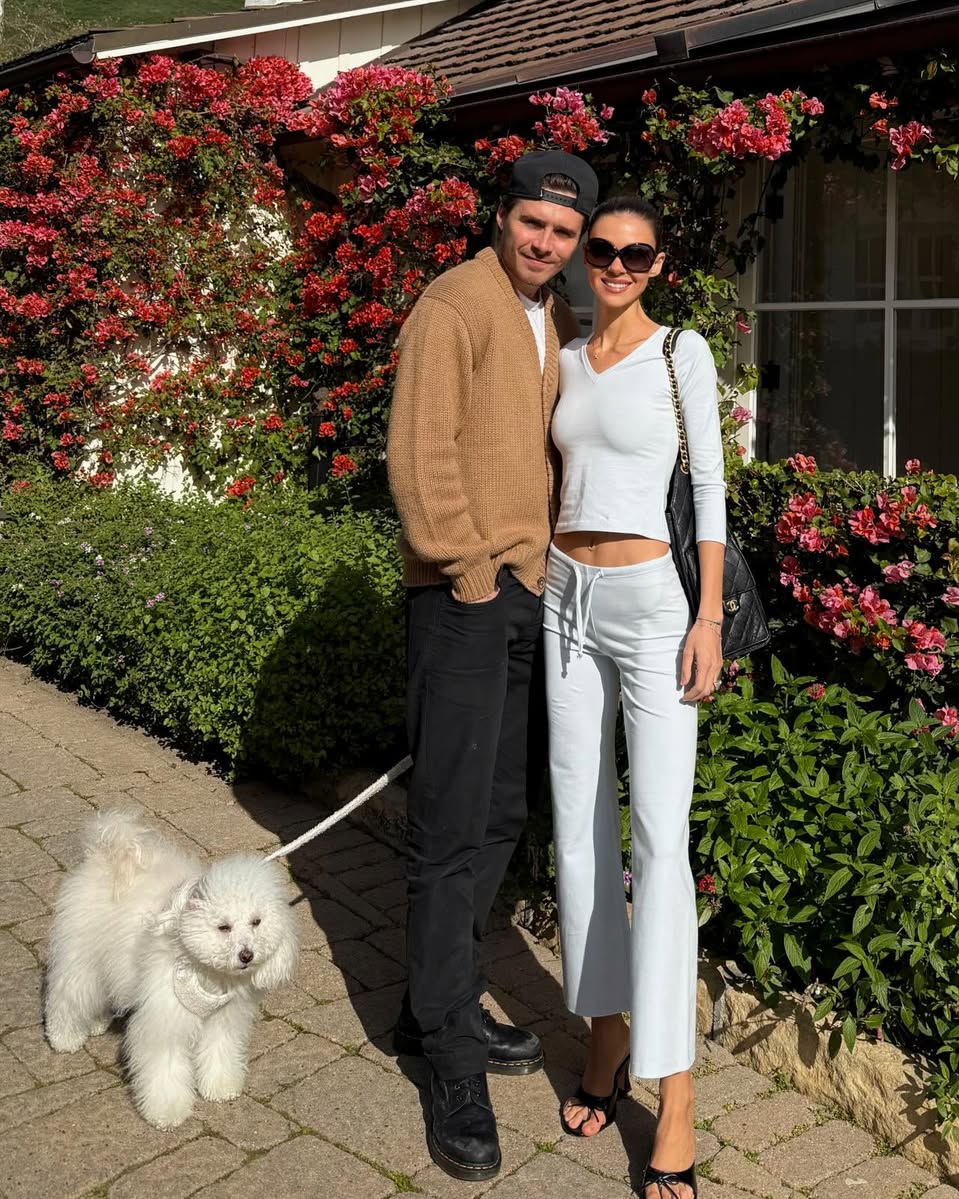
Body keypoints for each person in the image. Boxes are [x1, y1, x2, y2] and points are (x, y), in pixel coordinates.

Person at [385, 149, 598, 1183]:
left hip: (528, 594)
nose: (544, 243)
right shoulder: (455, 303)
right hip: (467, 597)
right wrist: (468, 572)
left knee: (504, 814)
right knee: (450, 826)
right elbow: (419, 453)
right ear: (502, 217)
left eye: (563, 232)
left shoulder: (551, 315)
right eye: (533, 224)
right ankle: (450, 1061)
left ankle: (436, 998)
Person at [543, 194, 727, 1199]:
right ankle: (604, 1036)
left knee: (659, 839)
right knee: (578, 827)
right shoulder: (563, 355)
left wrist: (706, 616)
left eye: (634, 252)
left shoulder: (680, 353)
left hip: (657, 605)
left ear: (658, 262)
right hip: (563, 597)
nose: (614, 263)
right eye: (600, 249)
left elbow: (709, 488)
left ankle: (680, 1094)